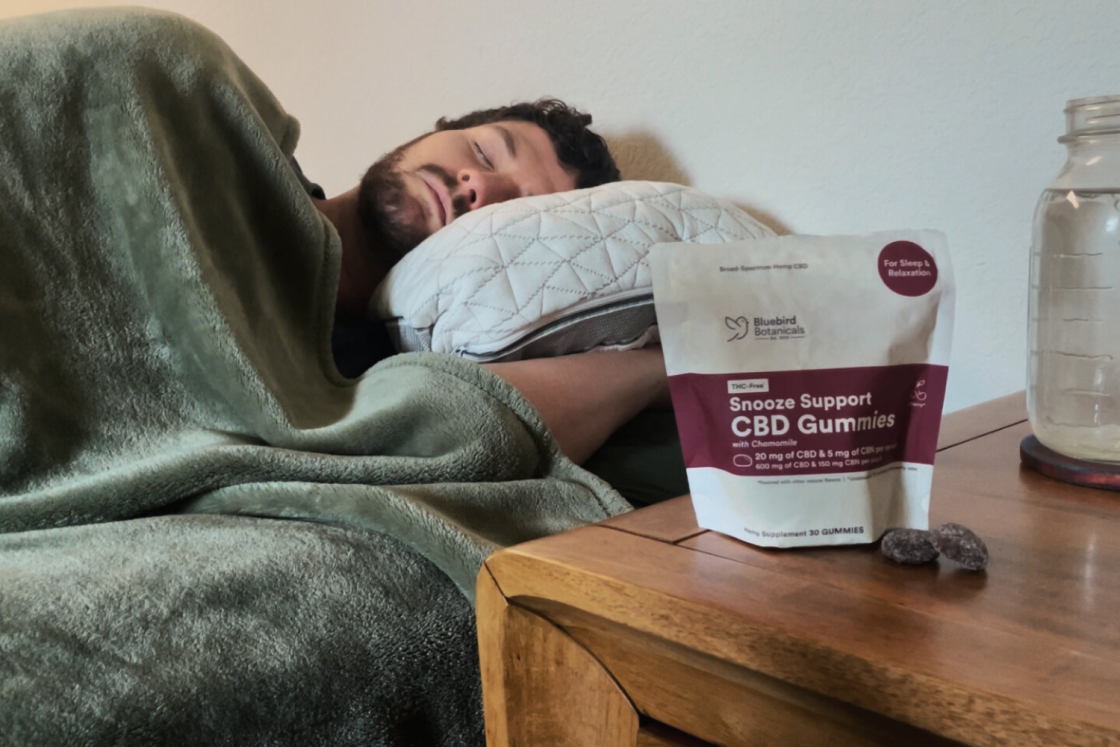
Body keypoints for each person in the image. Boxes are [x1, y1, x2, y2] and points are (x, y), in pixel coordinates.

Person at [306, 99, 671, 465]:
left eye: (513, 213)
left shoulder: (381, 382)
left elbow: (476, 439)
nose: (479, 184)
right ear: (432, 135)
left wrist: (655, 368)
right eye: (484, 152)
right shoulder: (272, 156)